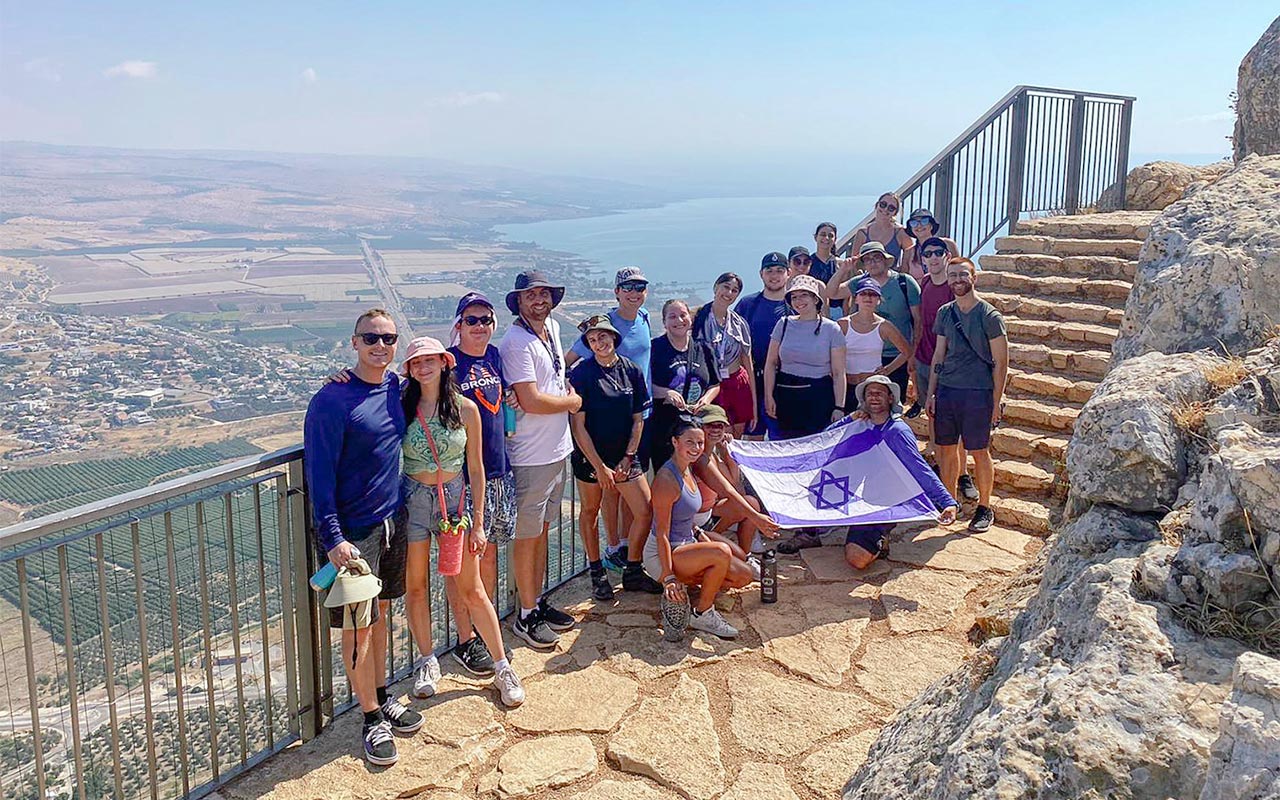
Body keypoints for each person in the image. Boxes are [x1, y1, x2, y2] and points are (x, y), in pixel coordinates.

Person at [303, 308, 421, 766]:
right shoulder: (331, 401)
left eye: (388, 339)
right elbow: (319, 475)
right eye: (370, 338)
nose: (380, 346)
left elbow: (438, 371)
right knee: (357, 627)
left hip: (390, 521)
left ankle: (380, 692)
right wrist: (332, 537)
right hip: (351, 534)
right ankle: (371, 719)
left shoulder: (394, 387)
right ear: (354, 343)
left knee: (380, 618)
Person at [397, 336, 524, 708]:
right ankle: (426, 659)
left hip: (454, 505)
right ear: (409, 370)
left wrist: (479, 521)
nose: (423, 368)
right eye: (416, 363)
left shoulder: (466, 409)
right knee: (416, 587)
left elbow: (476, 468)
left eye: (429, 360)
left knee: (472, 588)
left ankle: (502, 666)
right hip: (415, 503)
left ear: (443, 362)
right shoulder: (401, 406)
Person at [499, 270, 581, 649]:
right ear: (518, 301)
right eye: (531, 295)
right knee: (526, 537)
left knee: (542, 532)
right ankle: (525, 614)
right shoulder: (516, 341)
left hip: (555, 449)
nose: (539, 300)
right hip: (530, 455)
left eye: (545, 294)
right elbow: (531, 399)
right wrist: (573, 402)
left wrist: (563, 392)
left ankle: (536, 600)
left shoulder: (552, 331)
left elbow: (550, 383)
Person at [445, 292, 519, 675]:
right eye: (471, 320)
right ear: (458, 324)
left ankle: (486, 627)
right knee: (462, 565)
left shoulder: (492, 357)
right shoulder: (447, 364)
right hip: (463, 481)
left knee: (487, 555)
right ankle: (465, 639)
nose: (480, 326)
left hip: (496, 473)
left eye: (486, 320)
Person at [566, 266, 654, 572]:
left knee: (631, 493)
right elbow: (568, 362)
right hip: (603, 427)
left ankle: (630, 549)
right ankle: (614, 546)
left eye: (639, 287)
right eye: (627, 287)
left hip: (638, 419)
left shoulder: (643, 319)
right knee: (609, 495)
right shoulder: (606, 323)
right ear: (616, 291)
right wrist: (571, 394)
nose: (634, 292)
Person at [647, 416, 753, 640]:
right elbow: (662, 533)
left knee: (744, 574)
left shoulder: (691, 469)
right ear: (675, 442)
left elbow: (688, 516)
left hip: (688, 542)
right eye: (690, 442)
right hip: (663, 552)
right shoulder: (667, 479)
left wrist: (699, 534)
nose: (696, 448)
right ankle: (702, 612)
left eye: (700, 443)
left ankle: (689, 589)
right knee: (721, 553)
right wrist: (668, 576)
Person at [835, 376, 958, 569]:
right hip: (858, 495)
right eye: (870, 394)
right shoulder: (859, 425)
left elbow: (919, 468)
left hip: (885, 499)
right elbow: (825, 441)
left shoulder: (897, 431)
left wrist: (947, 502)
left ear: (890, 398)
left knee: (856, 559)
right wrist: (849, 419)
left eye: (879, 393)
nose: (874, 398)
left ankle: (880, 537)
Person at [926, 258, 1009, 533]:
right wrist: (931, 393)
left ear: (974, 278)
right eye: (953, 275)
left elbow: (1001, 362)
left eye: (963, 274)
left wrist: (996, 401)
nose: (957, 279)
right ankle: (950, 504)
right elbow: (940, 353)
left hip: (978, 391)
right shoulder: (945, 312)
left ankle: (985, 506)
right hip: (948, 389)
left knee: (978, 451)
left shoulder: (989, 316)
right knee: (946, 450)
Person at [825, 240, 922, 404]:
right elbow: (831, 292)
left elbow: (918, 321)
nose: (872, 262)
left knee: (891, 406)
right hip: (864, 359)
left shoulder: (904, 282)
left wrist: (912, 353)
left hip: (896, 358)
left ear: (885, 259)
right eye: (867, 259)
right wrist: (843, 270)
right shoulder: (859, 283)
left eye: (876, 257)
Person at [763, 274, 847, 439]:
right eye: (794, 297)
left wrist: (839, 407)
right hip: (785, 395)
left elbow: (838, 372)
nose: (798, 301)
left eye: (804, 295)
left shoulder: (832, 329)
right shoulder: (784, 323)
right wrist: (768, 396)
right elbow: (771, 363)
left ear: (815, 299)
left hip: (818, 398)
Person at [650, 299, 720, 469]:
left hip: (697, 427)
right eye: (672, 317)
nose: (679, 321)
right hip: (665, 429)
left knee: (699, 481)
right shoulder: (655, 349)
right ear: (664, 323)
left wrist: (706, 400)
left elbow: (715, 384)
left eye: (683, 315)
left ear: (690, 318)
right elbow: (644, 385)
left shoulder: (703, 349)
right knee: (669, 479)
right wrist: (666, 393)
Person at [691, 272, 756, 436]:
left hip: (737, 383)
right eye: (726, 287)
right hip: (712, 386)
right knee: (716, 436)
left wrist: (754, 404)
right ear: (715, 288)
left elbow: (748, 363)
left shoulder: (739, 323)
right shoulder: (698, 319)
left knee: (736, 438)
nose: (729, 293)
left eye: (734, 290)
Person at [734, 252, 790, 439]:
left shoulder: (795, 305)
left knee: (782, 439)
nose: (774, 276)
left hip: (784, 382)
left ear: (788, 273)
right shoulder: (747, 304)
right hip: (753, 380)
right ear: (761, 274)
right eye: (769, 271)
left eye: (779, 271)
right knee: (753, 438)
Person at [696, 404, 766, 556]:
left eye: (719, 426)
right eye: (710, 425)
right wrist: (758, 518)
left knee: (750, 502)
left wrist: (727, 452)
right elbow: (728, 490)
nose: (715, 430)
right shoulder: (699, 457)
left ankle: (745, 554)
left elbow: (735, 485)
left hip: (710, 513)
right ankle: (706, 540)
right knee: (749, 506)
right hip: (697, 521)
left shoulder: (713, 455)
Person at [838, 278, 913, 409]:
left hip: (872, 388)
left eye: (872, 294)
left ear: (878, 300)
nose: (868, 297)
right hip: (845, 387)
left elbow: (906, 352)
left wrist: (887, 370)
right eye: (863, 293)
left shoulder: (884, 326)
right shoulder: (842, 324)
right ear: (856, 299)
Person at [848, 192, 915, 270]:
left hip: (891, 279)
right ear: (877, 205)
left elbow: (910, 259)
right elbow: (855, 263)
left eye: (891, 208)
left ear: (895, 213)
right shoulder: (862, 233)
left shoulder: (900, 233)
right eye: (883, 204)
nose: (885, 209)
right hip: (868, 278)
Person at [901, 209, 960, 282]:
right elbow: (903, 279)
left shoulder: (948, 244)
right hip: (919, 292)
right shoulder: (908, 252)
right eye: (913, 223)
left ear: (931, 226)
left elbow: (959, 269)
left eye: (924, 221)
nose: (919, 225)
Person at [810, 222, 843, 316]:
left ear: (835, 239)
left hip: (836, 312)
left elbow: (846, 298)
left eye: (830, 236)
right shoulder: (808, 263)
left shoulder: (840, 264)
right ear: (816, 237)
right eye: (823, 234)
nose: (826, 238)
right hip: (814, 311)